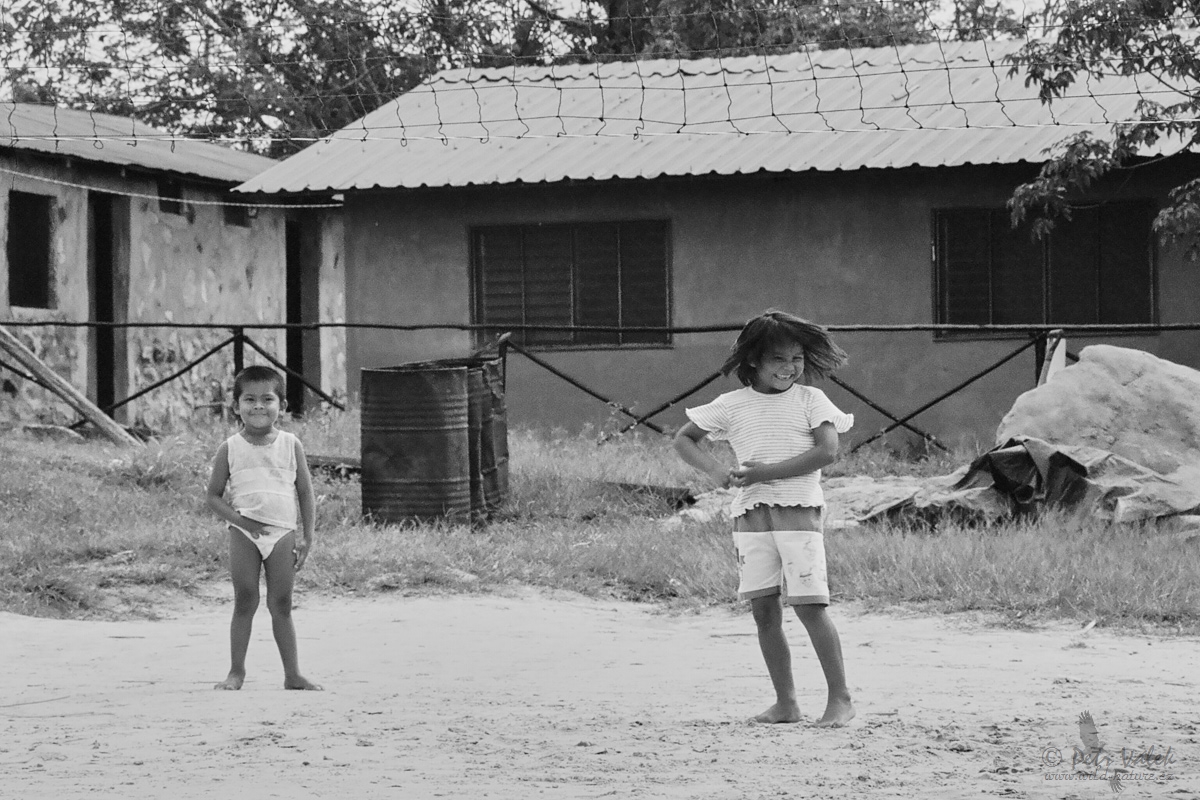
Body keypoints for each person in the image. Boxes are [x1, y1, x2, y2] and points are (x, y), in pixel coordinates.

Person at [674, 309, 854, 726]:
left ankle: (840, 698)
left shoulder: (811, 400)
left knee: (810, 607)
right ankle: (786, 702)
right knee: (764, 612)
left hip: (799, 513)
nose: (790, 368)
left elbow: (827, 453)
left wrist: (760, 475)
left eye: (797, 358)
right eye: (778, 359)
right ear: (753, 359)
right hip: (750, 517)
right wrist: (717, 471)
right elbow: (684, 439)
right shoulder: (732, 405)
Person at [206, 364, 321, 691]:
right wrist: (241, 522)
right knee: (245, 599)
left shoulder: (290, 444)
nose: (258, 406)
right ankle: (236, 672)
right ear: (235, 406)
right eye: (249, 399)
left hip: (282, 533)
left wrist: (308, 534)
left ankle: (292, 675)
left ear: (282, 406)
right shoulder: (230, 448)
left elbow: (305, 491)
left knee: (281, 604)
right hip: (244, 534)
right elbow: (212, 497)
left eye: (267, 399)